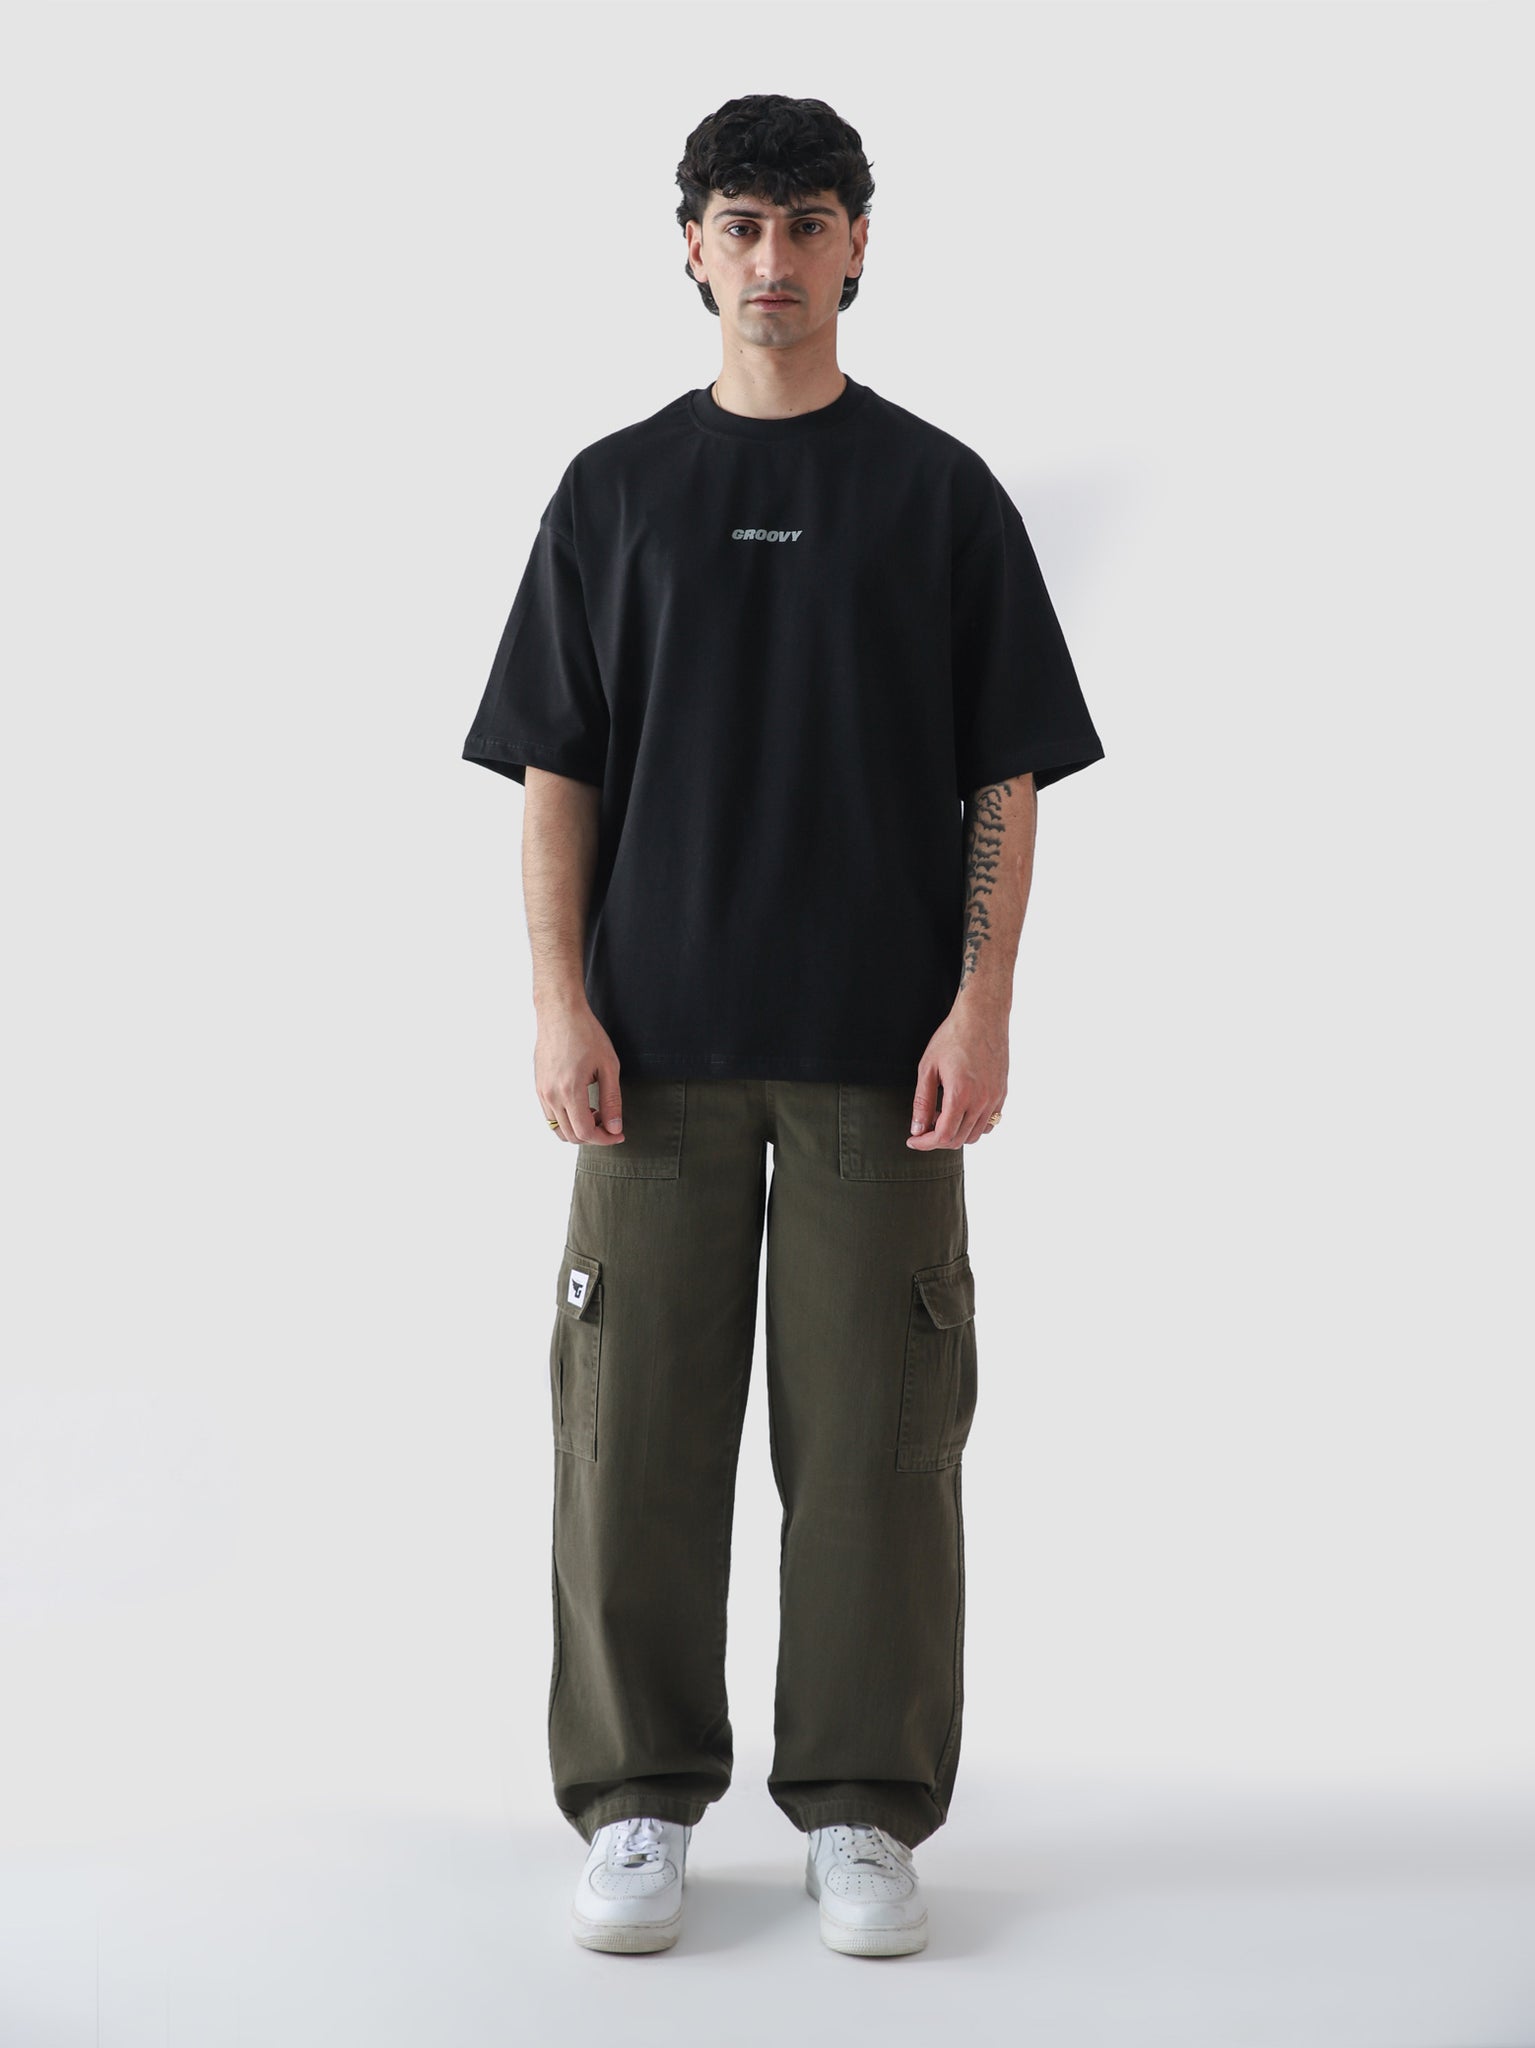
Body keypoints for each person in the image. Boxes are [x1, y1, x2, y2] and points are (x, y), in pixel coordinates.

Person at [460, 93, 1105, 1959]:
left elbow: (1006, 773)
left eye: (809, 222)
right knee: (629, 1446)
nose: (774, 258)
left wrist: (982, 1003)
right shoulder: (612, 494)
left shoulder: (936, 494)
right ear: (690, 247)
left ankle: (863, 1809)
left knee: (883, 1454)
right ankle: (638, 1801)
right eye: (741, 223)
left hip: (875, 1064)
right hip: (648, 1059)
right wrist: (558, 1002)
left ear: (859, 248)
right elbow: (556, 771)